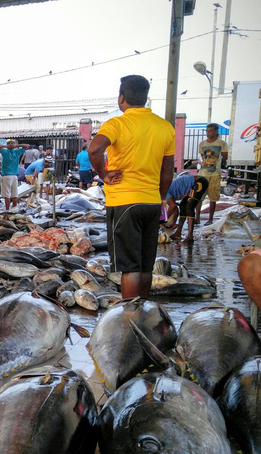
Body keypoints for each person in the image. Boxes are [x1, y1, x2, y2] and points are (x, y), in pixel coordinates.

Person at [89, 74, 175, 299]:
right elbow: (167, 172)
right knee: (146, 266)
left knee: (130, 268)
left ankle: (127, 319)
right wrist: (162, 198)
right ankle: (143, 312)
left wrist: (104, 174)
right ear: (146, 98)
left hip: (124, 202)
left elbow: (94, 150)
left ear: (121, 98)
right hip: (152, 202)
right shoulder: (164, 127)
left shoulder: (117, 123)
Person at [197, 123, 229, 225]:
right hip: (203, 173)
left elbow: (224, 156)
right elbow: (203, 157)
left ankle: (210, 219)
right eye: (207, 131)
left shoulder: (222, 143)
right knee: (199, 196)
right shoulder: (202, 144)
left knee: (213, 197)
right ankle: (197, 217)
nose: (208, 133)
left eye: (211, 131)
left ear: (216, 131)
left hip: (215, 174)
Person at [164, 174, 209, 242]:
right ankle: (178, 233)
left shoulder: (164, 192)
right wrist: (173, 222)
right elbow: (175, 209)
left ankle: (190, 236)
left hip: (199, 181)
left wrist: (163, 220)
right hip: (193, 185)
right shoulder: (166, 193)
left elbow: (173, 206)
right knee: (183, 205)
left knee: (189, 207)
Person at [0, 139, 30, 210]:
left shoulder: (5, 151)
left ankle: (8, 210)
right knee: (14, 195)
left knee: (7, 195)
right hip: (15, 176)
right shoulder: (17, 152)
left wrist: (7, 146)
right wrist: (16, 146)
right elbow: (27, 146)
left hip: (6, 176)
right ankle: (14, 209)